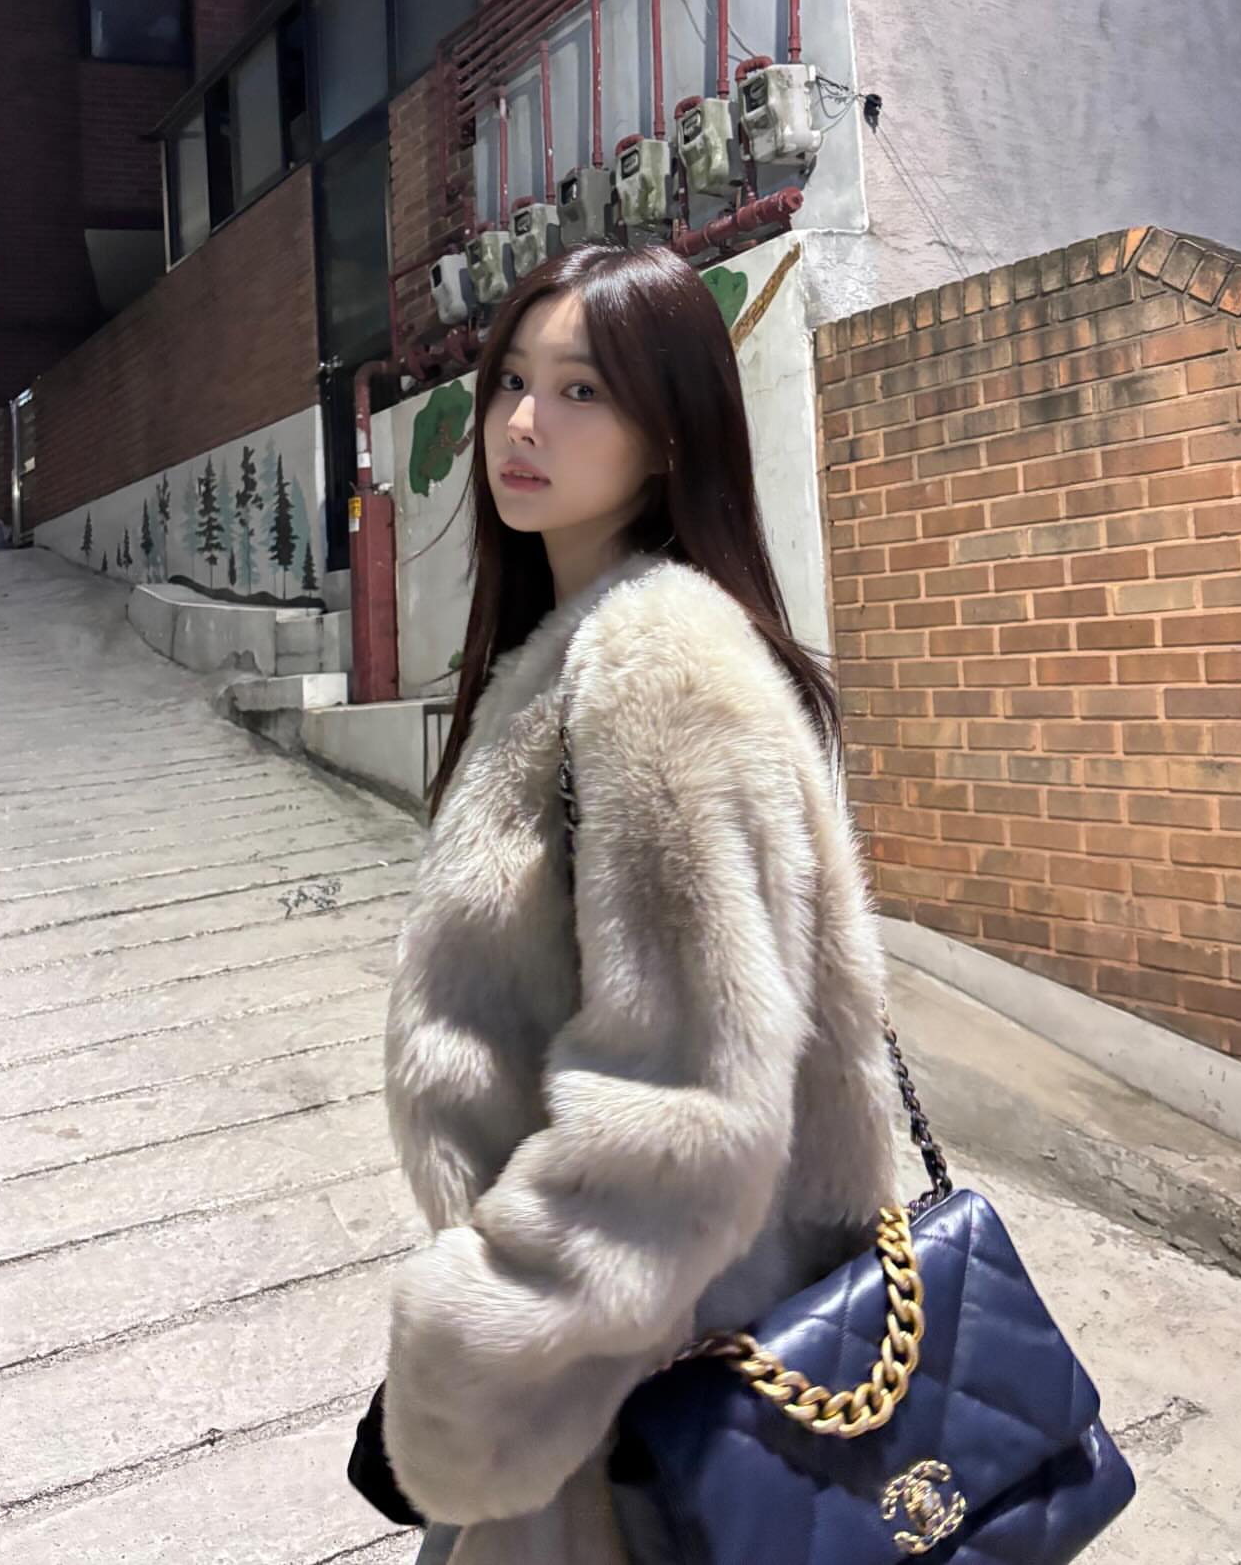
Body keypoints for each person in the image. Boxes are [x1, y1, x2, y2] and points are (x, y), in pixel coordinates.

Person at [381, 243, 899, 1565]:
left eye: (581, 391)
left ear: (670, 437)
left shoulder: (656, 669)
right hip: (619, 1390)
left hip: (629, 1408)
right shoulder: (582, 649)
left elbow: (685, 1127)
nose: (522, 424)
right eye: (511, 381)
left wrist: (474, 1355)